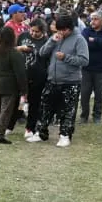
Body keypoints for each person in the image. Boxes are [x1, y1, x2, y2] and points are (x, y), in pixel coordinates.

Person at [27, 13, 88, 148]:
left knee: (68, 110)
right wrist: (52, 41)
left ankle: (65, 135)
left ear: (69, 29)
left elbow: (84, 60)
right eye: (58, 30)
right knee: (45, 107)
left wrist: (66, 57)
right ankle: (41, 132)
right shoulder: (56, 37)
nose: (60, 32)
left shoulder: (79, 40)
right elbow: (42, 53)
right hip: (52, 79)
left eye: (62, 30)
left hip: (70, 81)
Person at [0, 26, 26, 143]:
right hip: (9, 86)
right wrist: (24, 89)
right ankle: (0, 135)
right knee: (5, 111)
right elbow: (20, 73)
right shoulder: (14, 53)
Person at [17, 19, 50, 141]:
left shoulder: (46, 41)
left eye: (36, 31)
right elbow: (13, 49)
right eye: (32, 30)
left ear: (42, 31)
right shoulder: (23, 36)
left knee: (34, 103)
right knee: (17, 101)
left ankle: (30, 128)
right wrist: (19, 48)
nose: (33, 33)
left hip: (38, 76)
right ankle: (10, 124)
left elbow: (46, 58)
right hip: (21, 74)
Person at [79, 11, 102, 124]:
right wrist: (96, 42)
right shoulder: (86, 31)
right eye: (92, 19)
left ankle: (97, 116)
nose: (92, 21)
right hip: (86, 67)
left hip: (101, 68)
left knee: (99, 95)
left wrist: (93, 40)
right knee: (84, 94)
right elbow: (84, 43)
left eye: (95, 19)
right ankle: (84, 116)